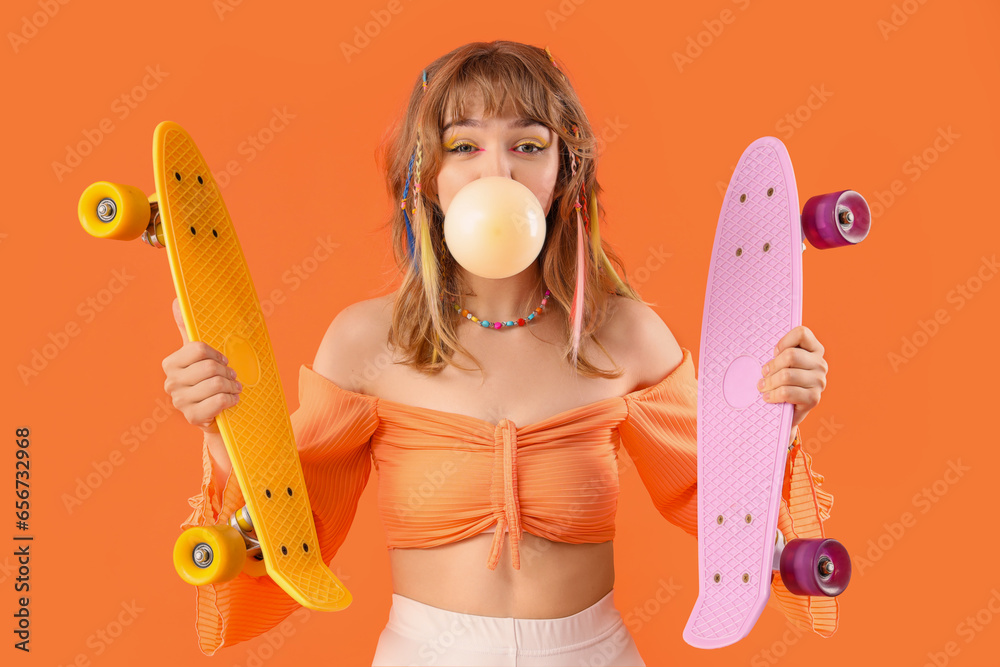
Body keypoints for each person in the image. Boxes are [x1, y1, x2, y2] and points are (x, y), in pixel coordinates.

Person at [162, 41, 838, 666]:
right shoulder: (365, 342)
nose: (498, 169)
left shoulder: (627, 334)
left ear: (563, 174)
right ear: (424, 180)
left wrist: (776, 418)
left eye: (527, 144)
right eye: (463, 145)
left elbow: (718, 501)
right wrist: (223, 430)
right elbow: (290, 527)